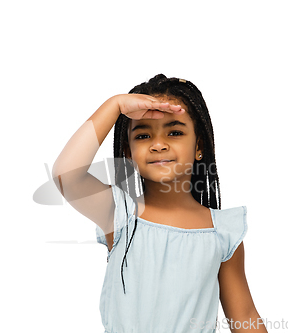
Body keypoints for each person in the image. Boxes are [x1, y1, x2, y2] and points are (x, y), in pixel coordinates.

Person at [52, 74, 267, 333]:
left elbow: (244, 316)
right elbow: (67, 174)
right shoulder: (119, 214)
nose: (158, 145)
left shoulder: (222, 232)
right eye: (143, 136)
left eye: (174, 132)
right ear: (128, 152)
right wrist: (114, 105)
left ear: (199, 146)